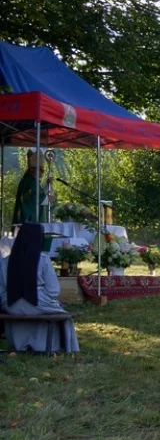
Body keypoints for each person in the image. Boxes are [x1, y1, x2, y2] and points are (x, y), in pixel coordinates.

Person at [0, 223, 80, 353]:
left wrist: (9, 300)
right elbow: (53, 290)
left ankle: (20, 343)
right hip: (37, 301)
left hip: (11, 304)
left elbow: (1, 289)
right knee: (61, 313)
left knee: (40, 308)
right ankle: (51, 346)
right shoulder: (43, 259)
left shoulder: (5, 261)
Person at [11, 150, 40, 226]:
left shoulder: (28, 178)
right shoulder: (30, 180)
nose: (42, 173)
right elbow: (32, 198)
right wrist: (46, 198)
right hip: (27, 217)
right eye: (41, 170)